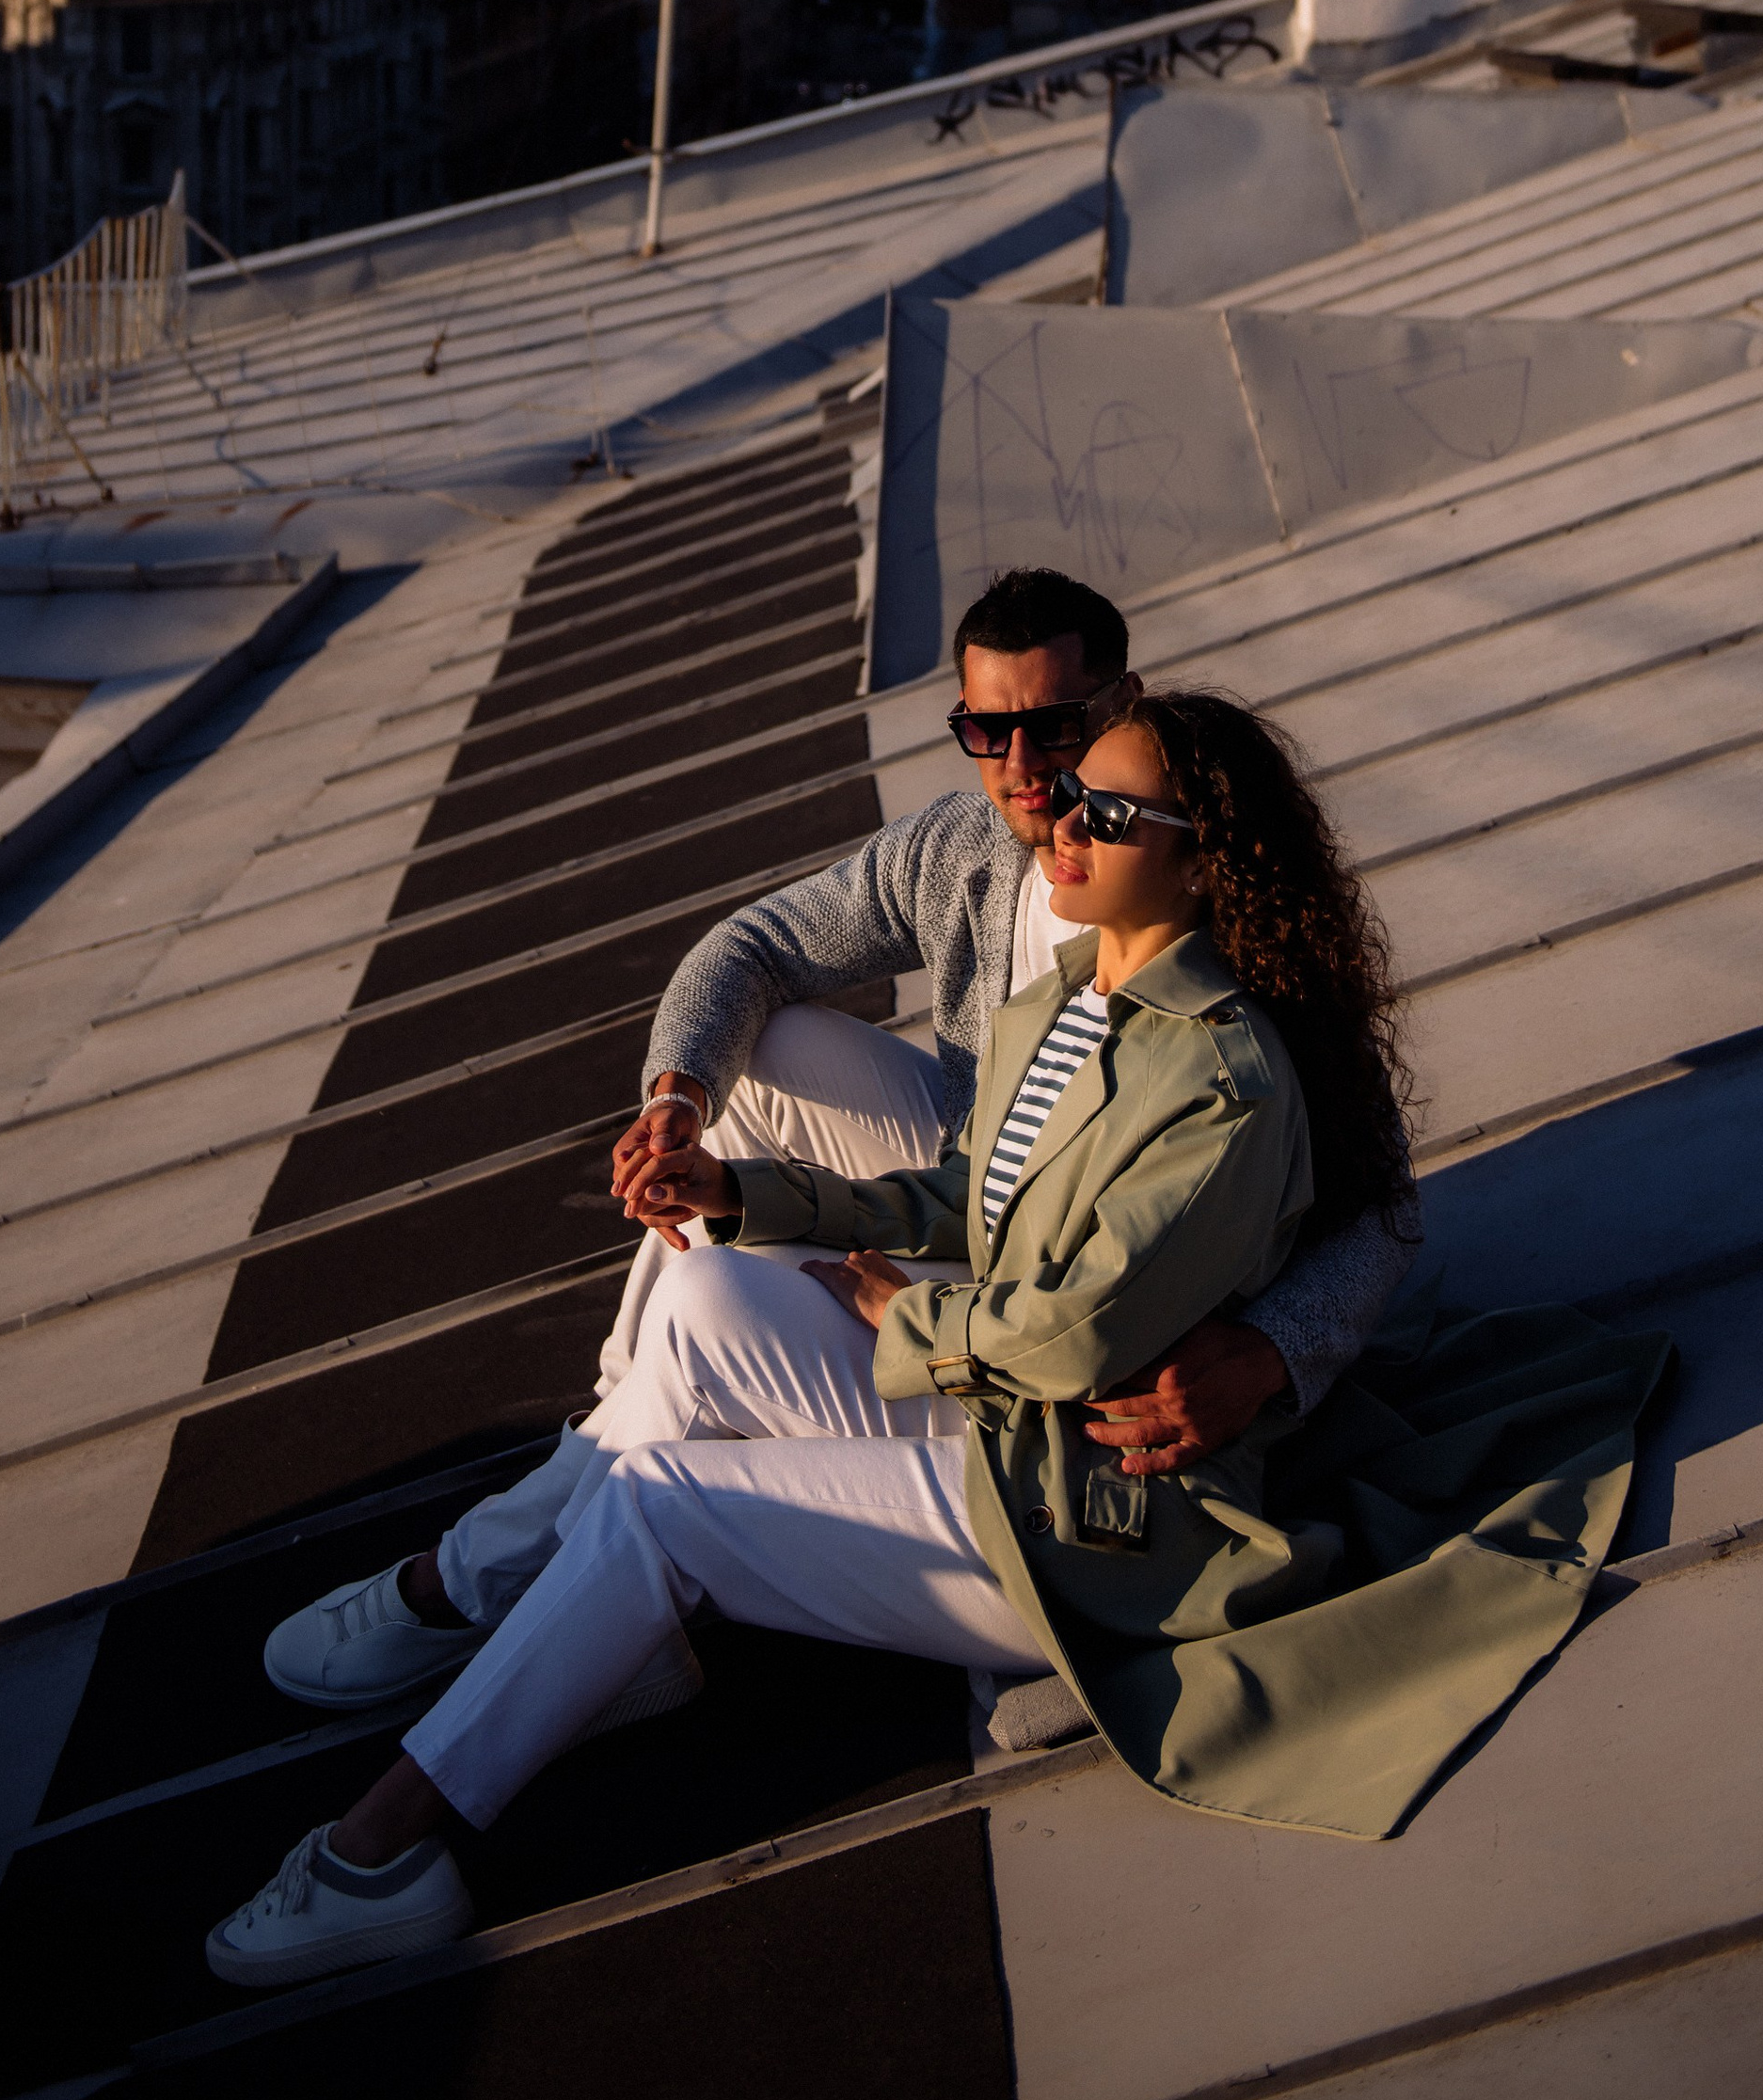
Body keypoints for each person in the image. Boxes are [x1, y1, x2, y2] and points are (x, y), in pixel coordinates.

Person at [208, 686, 1418, 1985]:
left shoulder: (1223, 1083)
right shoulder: (1077, 996)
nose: (1063, 822)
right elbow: (971, 1200)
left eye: (1110, 815)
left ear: (1205, 859)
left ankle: (386, 1850)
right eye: (1073, 800)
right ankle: (576, 1624)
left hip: (1091, 1523)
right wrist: (748, 1198)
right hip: (1003, 1428)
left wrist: (915, 1315)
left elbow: (1072, 1339)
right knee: (709, 1300)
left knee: (662, 1502)